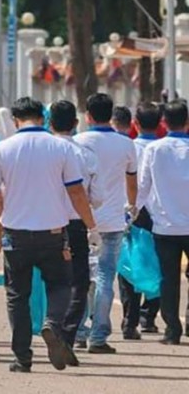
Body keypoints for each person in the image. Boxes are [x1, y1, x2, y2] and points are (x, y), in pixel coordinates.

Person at [0, 97, 98, 373]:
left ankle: (22, 357)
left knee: (17, 294)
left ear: (15, 120)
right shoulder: (60, 147)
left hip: (15, 234)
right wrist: (91, 226)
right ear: (42, 118)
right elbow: (76, 191)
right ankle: (52, 324)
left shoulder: (2, 148)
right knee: (60, 284)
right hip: (54, 232)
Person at [74, 94, 138, 353]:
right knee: (105, 276)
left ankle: (78, 330)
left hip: (82, 218)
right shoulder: (125, 144)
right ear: (110, 115)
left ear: (87, 116)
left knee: (80, 277)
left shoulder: (77, 142)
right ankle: (99, 335)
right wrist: (131, 207)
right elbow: (132, 181)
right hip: (112, 221)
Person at [136, 99, 189, 345]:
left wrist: (133, 213)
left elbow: (142, 187)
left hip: (164, 225)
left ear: (163, 122)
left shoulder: (154, 150)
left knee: (168, 279)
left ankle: (172, 330)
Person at [49, 100, 100, 353]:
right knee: (79, 282)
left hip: (46, 223)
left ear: (50, 123)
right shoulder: (85, 154)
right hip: (76, 224)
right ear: (76, 123)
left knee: (53, 279)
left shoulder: (42, 150)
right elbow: (96, 197)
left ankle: (51, 324)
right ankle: (67, 334)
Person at [121, 102, 162, 338]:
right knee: (157, 263)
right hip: (159, 213)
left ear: (135, 123)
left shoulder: (128, 147)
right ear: (159, 124)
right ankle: (149, 316)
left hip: (131, 210)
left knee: (128, 264)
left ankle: (130, 319)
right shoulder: (162, 147)